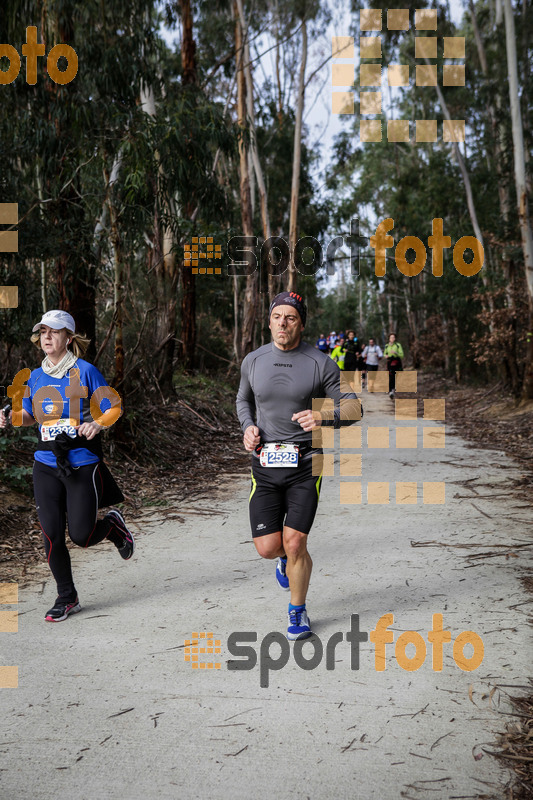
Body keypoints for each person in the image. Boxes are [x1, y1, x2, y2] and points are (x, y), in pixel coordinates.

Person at [236, 291, 362, 640]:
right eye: (277, 316)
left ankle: (297, 611)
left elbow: (354, 408)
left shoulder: (320, 363)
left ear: (301, 324)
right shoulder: (254, 360)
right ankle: (283, 561)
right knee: (268, 547)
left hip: (306, 462)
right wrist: (247, 426)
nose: (283, 323)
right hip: (264, 463)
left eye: (290, 318)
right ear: (270, 320)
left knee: (295, 543)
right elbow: (243, 399)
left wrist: (323, 416)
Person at [0, 309, 135, 623]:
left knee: (82, 535)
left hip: (81, 464)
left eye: (54, 332)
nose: (47, 337)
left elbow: (113, 407)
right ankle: (66, 596)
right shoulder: (35, 377)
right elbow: (30, 416)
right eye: (43, 332)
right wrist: (10, 417)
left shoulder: (86, 372)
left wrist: (97, 425)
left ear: (69, 338)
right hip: (45, 464)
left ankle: (113, 525)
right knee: (51, 535)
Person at [384, 333, 404, 398]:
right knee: (391, 376)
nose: (392, 339)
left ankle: (393, 388)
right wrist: (386, 356)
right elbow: (384, 354)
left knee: (396, 376)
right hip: (390, 362)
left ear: (395, 338)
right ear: (389, 339)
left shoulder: (398, 345)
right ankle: (391, 391)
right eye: (391, 337)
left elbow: (402, 355)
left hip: (396, 362)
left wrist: (396, 353)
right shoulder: (387, 346)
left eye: (393, 337)